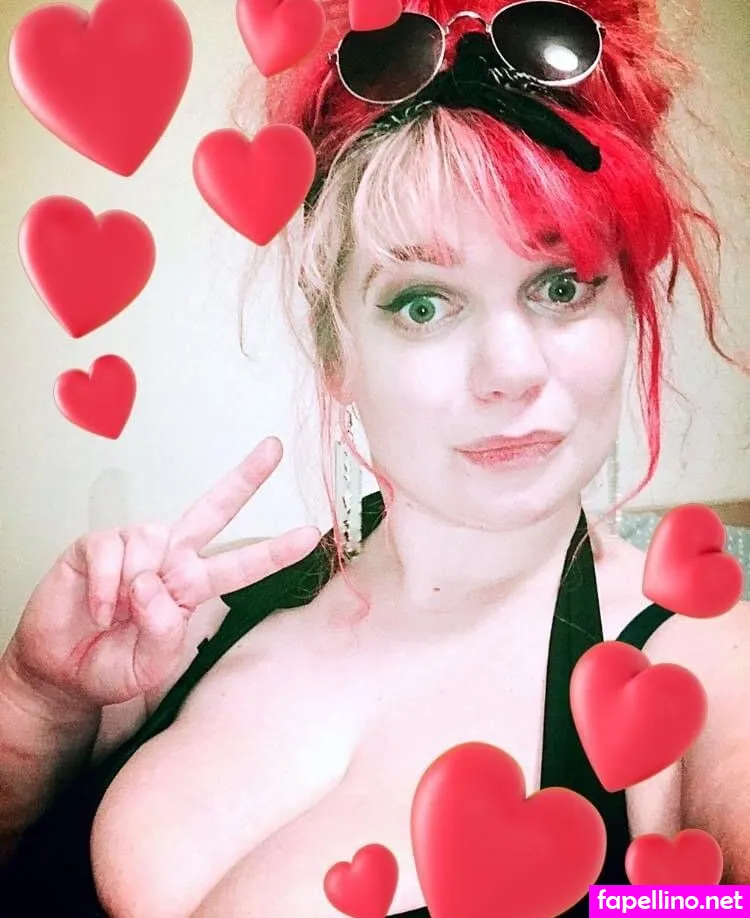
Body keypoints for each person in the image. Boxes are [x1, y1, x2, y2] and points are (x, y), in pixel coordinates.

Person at [1, 0, 749, 915]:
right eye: (424, 303)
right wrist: (35, 702)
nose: (512, 370)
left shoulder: (699, 674)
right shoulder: (187, 621)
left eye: (561, 286)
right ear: (336, 351)